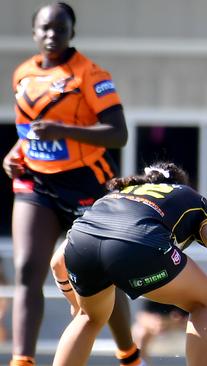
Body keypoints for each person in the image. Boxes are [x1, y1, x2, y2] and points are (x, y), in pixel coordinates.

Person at [0, 3, 141, 365]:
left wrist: (63, 130)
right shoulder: (22, 74)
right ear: (33, 32)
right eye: (44, 28)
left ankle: (129, 354)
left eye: (60, 29)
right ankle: (22, 360)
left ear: (71, 33)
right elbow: (29, 131)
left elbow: (118, 134)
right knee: (27, 268)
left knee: (101, 274)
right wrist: (14, 153)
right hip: (36, 183)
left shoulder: (89, 75)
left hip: (84, 183)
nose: (51, 35)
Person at [51, 162, 207, 366]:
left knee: (88, 318)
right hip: (136, 243)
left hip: (81, 244)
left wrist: (76, 303)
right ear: (179, 184)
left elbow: (57, 261)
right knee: (206, 300)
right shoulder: (189, 196)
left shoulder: (117, 195)